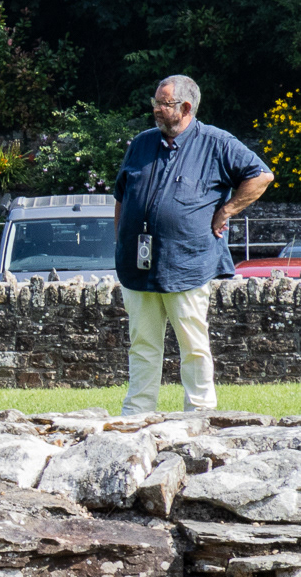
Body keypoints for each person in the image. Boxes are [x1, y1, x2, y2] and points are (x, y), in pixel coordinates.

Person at [114, 75, 273, 414]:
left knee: (193, 344)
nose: (156, 109)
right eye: (156, 102)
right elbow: (122, 195)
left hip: (186, 263)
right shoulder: (142, 143)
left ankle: (200, 415)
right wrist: (120, 242)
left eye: (164, 103)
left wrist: (227, 210)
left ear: (186, 107)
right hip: (137, 266)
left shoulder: (216, 142)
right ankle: (137, 415)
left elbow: (261, 175)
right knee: (142, 344)